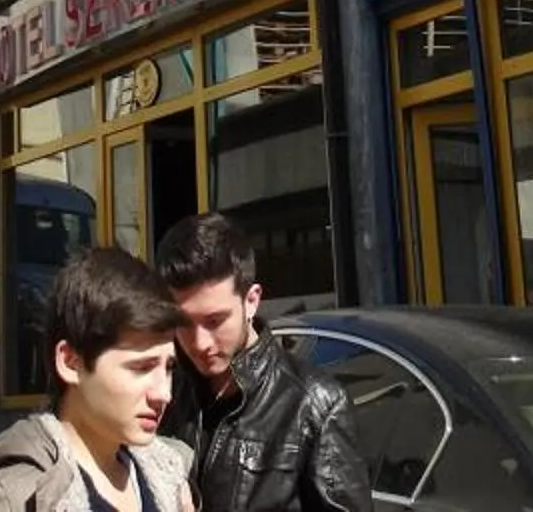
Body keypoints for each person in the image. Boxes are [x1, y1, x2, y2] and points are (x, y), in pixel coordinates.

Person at [151, 213, 370, 512]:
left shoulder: (315, 405)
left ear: (251, 301)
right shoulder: (161, 388)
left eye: (215, 321)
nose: (200, 342)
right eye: (183, 322)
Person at [0, 245, 197, 512]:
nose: (163, 393)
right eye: (141, 368)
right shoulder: (17, 498)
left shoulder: (170, 478)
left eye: (168, 368)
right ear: (71, 362)